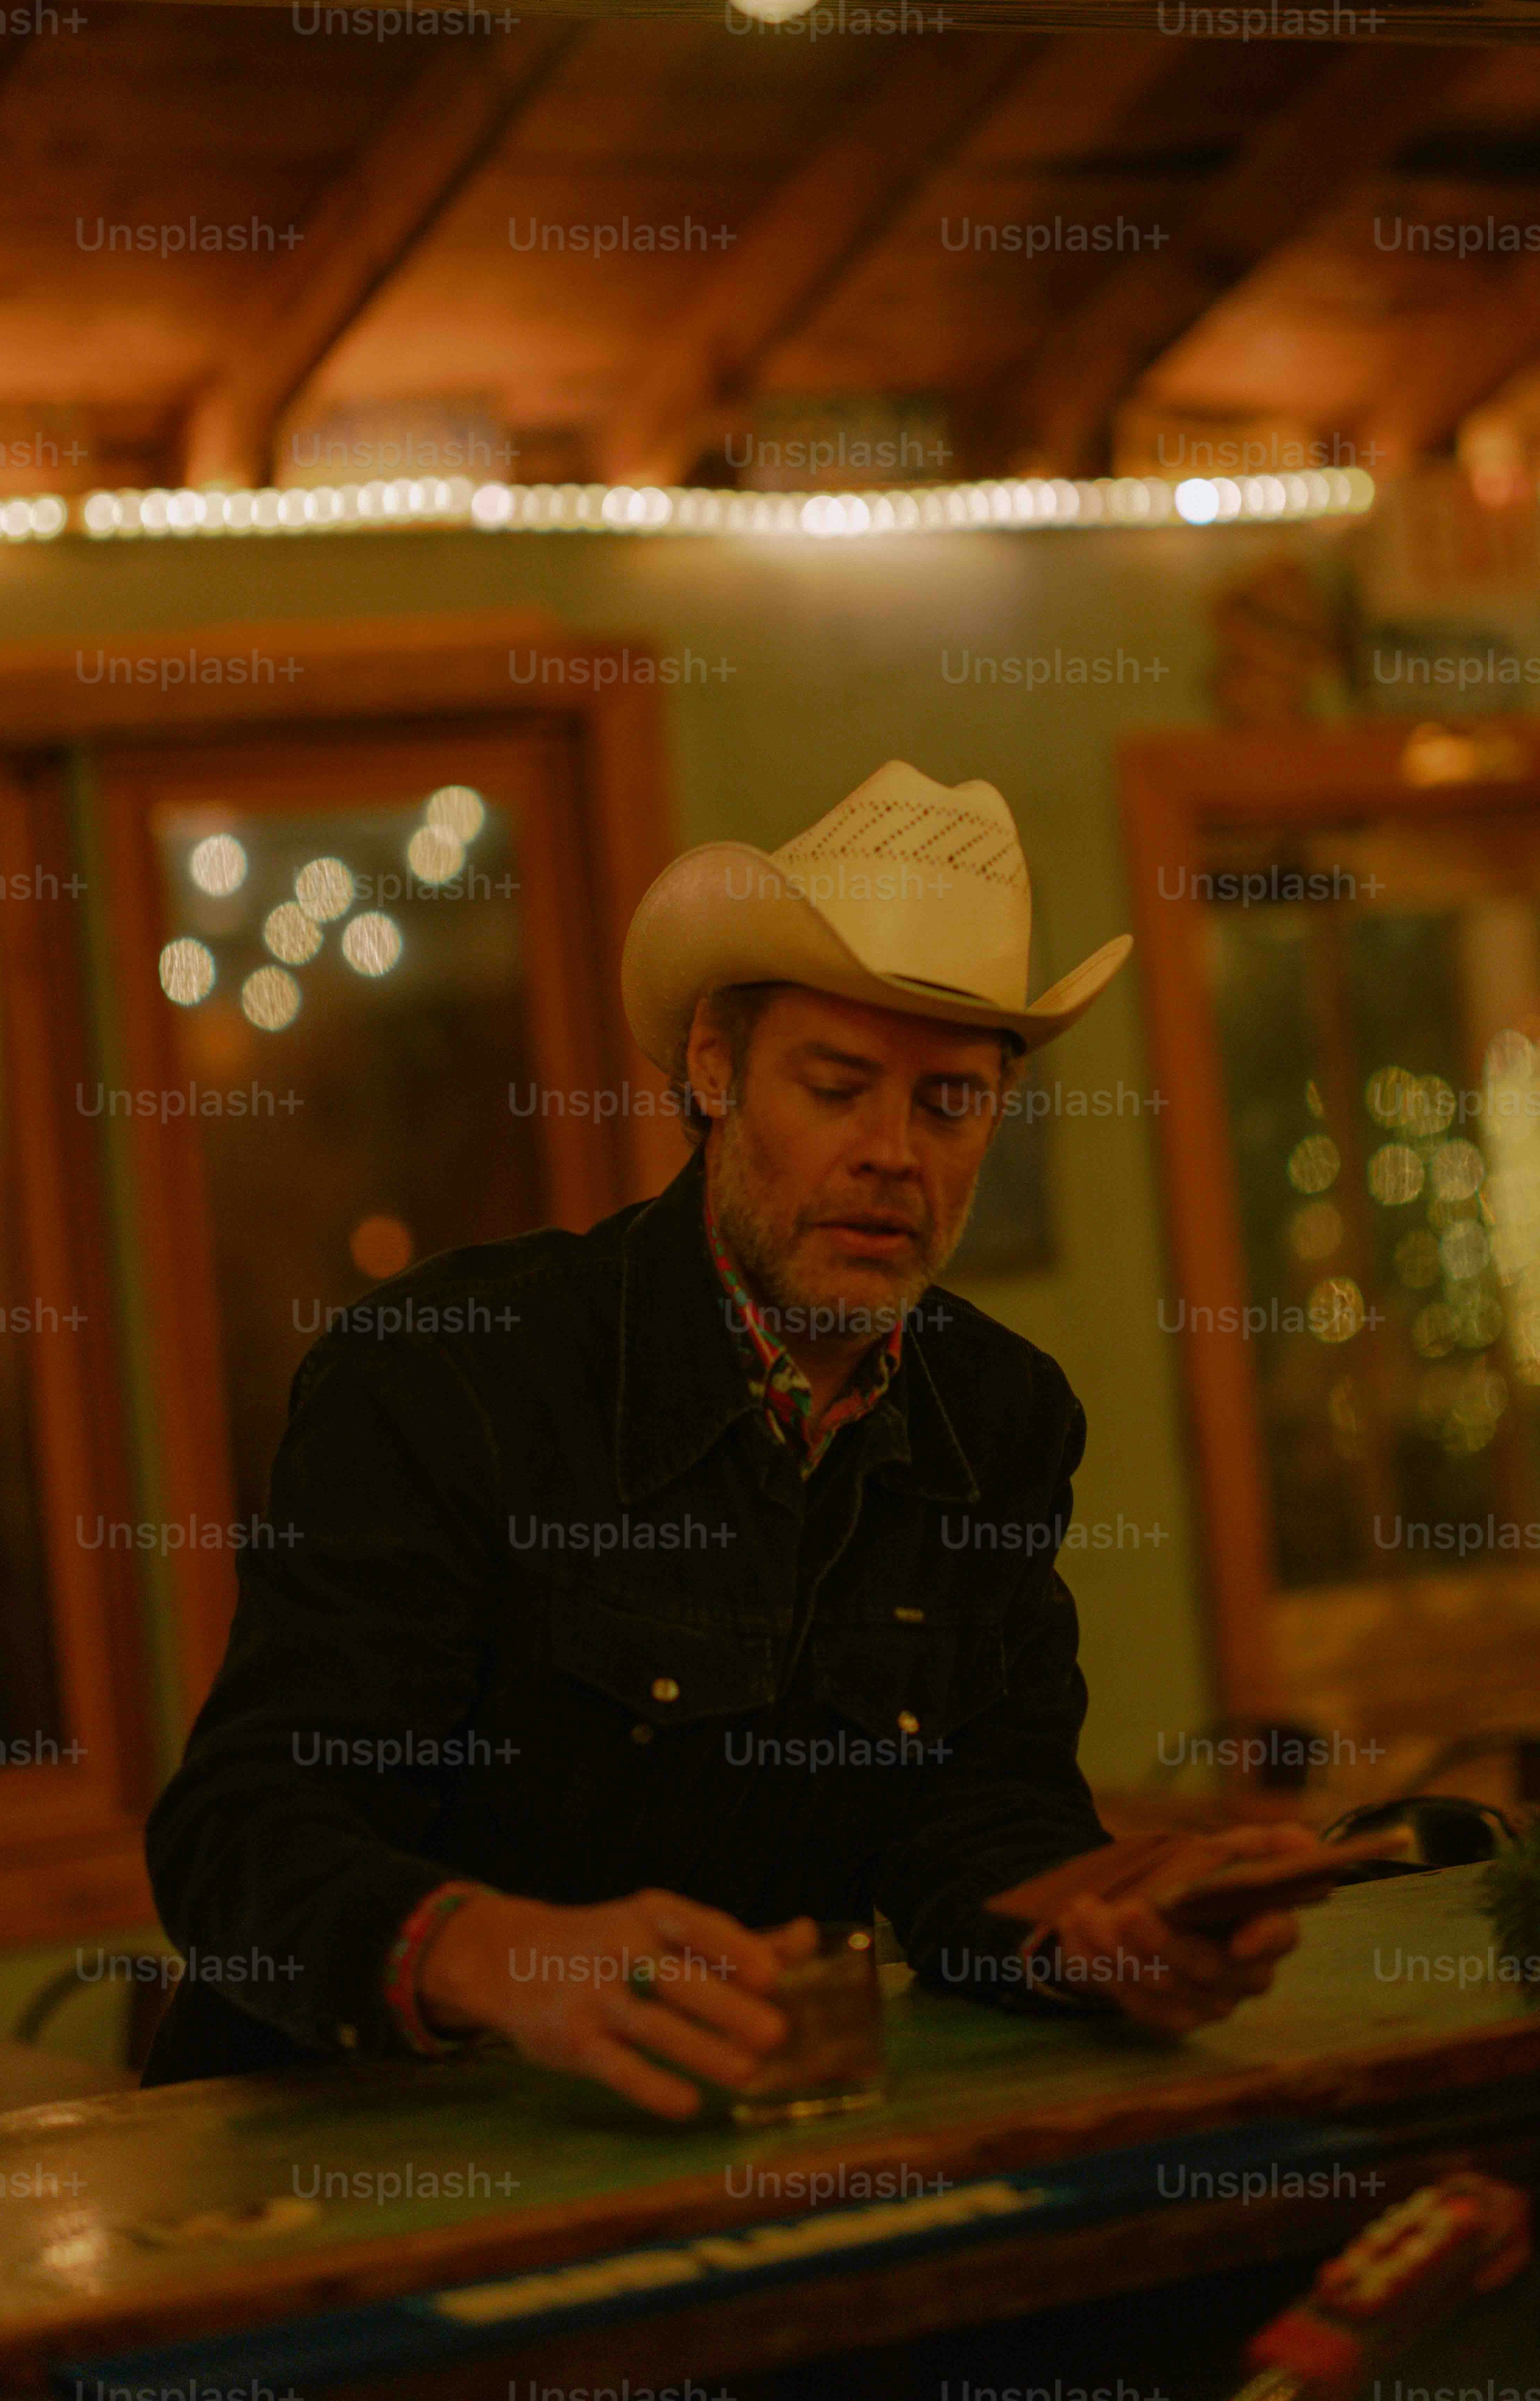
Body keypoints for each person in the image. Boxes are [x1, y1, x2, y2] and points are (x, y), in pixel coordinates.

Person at [142, 759, 1307, 2102]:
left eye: (950, 1103)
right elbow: (238, 1837)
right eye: (837, 1086)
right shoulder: (448, 1372)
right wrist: (507, 1958)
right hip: (346, 2163)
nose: (894, 1153)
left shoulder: (1002, 1416)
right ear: (713, 1069)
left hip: (739, 2146)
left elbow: (981, 1821)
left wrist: (1098, 1934)